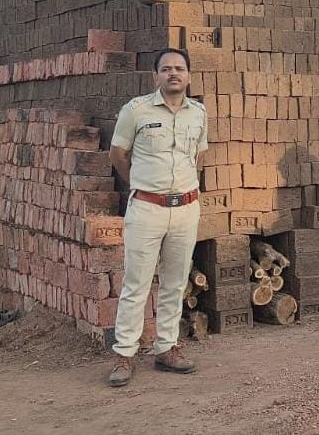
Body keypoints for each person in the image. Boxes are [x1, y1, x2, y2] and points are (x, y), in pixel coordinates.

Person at [106, 48, 209, 387]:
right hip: (147, 208)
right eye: (166, 69)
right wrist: (140, 184)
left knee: (175, 282)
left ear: (189, 75)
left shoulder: (198, 113)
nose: (173, 74)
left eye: (179, 68)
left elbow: (199, 157)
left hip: (185, 209)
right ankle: (124, 355)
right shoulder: (136, 111)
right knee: (136, 284)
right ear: (156, 76)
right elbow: (118, 154)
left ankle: (167, 348)